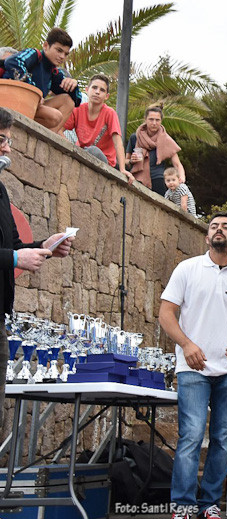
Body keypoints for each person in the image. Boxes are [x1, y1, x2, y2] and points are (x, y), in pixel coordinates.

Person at [159, 211, 227, 519]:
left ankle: (209, 507)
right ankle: (181, 509)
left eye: (225, 226)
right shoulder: (187, 269)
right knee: (191, 436)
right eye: (214, 226)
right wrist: (187, 345)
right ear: (207, 236)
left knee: (222, 440)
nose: (219, 229)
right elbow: (166, 313)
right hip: (193, 367)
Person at [0, 107, 74, 424]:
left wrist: (44, 246)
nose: (7, 148)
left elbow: (14, 245)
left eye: (9, 141)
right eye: (1, 140)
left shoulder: (1, 191)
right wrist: (16, 259)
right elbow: (12, 255)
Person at [1, 28, 80, 133]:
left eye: (66, 54)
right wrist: (35, 93)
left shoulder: (54, 73)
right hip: (8, 100)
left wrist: (73, 85)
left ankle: (47, 139)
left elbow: (77, 100)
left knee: (67, 102)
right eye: (59, 50)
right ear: (46, 46)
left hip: (30, 107)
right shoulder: (34, 54)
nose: (62, 57)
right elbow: (13, 61)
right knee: (54, 115)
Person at [63, 74, 135, 183]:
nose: (97, 92)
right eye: (94, 88)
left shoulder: (110, 113)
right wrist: (70, 147)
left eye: (102, 90)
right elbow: (59, 129)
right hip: (81, 153)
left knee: (93, 151)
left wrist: (122, 169)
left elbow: (118, 142)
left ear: (106, 96)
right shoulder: (77, 110)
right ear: (87, 90)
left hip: (103, 161)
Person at [125, 105, 185, 195]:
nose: (154, 123)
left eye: (157, 120)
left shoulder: (166, 139)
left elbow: (177, 164)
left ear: (161, 121)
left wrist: (182, 178)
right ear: (145, 119)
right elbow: (125, 161)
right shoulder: (135, 137)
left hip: (158, 179)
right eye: (151, 119)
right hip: (137, 177)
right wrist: (131, 160)